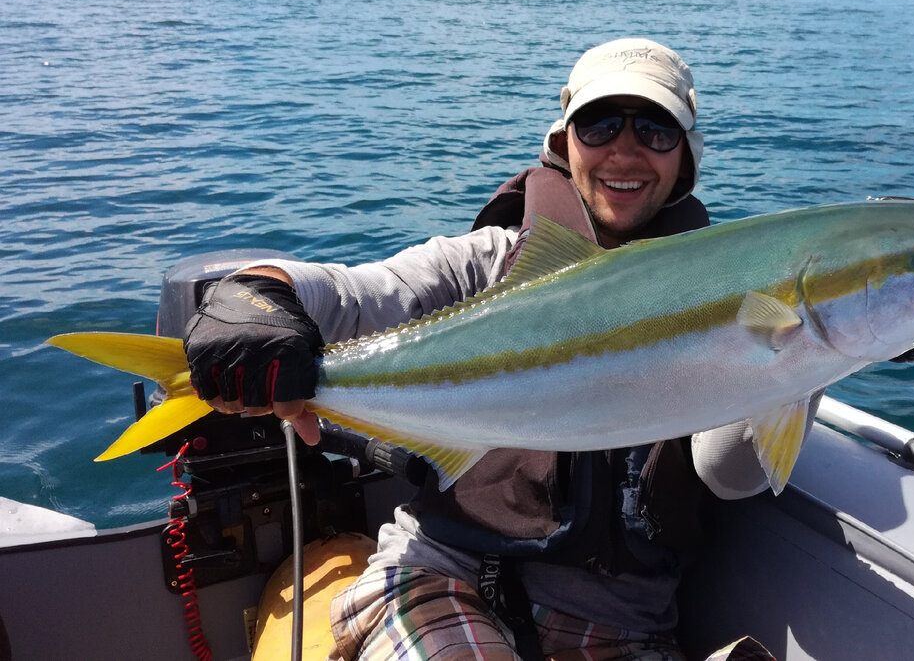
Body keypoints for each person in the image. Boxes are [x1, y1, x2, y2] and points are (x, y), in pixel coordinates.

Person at [184, 38, 790, 661]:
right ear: (564, 142)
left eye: (657, 129)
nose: (626, 149)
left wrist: (818, 350)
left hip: (622, 627)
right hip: (439, 577)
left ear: (686, 155)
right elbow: (356, 294)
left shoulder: (727, 292)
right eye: (600, 124)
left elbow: (729, 471)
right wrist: (259, 292)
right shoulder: (489, 265)